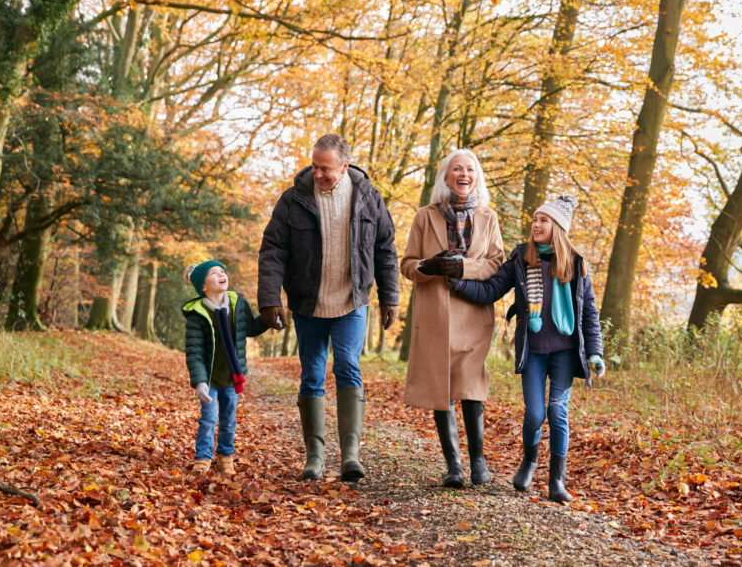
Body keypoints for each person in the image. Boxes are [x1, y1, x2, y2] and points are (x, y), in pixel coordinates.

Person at [258, 134, 399, 482]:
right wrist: (270, 298)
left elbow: (385, 249)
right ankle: (315, 457)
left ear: (345, 166)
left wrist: (390, 296)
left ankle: (350, 456)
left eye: (326, 169)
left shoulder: (368, 198)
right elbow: (273, 250)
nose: (317, 174)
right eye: (314, 166)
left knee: (349, 367)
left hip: (351, 299)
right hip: (309, 302)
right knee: (312, 374)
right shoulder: (293, 200)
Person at [452, 195, 605, 502]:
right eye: (535, 220)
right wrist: (458, 280)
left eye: (544, 220)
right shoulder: (522, 258)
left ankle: (556, 481)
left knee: (557, 411)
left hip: (565, 351)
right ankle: (529, 460)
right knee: (535, 413)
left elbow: (589, 312)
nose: (536, 225)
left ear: (558, 227)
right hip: (533, 350)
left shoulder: (576, 264)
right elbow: (491, 290)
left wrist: (595, 352)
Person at [400, 149, 504, 488]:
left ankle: (478, 462)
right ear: (446, 177)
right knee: (440, 386)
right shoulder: (423, 216)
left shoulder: (489, 218)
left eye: (470, 169)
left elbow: (495, 264)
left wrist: (462, 267)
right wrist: (428, 267)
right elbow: (407, 265)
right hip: (435, 314)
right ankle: (453, 466)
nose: (463, 174)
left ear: (477, 177)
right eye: (456, 169)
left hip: (473, 311)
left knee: (471, 385)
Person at [182, 260, 269, 475]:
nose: (222, 274)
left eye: (223, 271)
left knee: (229, 418)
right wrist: (200, 382)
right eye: (214, 273)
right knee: (209, 417)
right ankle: (203, 457)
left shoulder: (238, 303)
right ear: (203, 286)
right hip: (210, 376)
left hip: (231, 375)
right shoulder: (197, 313)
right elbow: (194, 351)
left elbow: (250, 328)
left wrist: (268, 318)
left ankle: (225, 456)